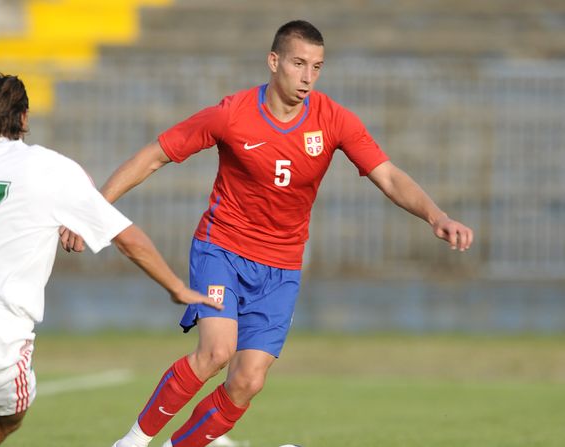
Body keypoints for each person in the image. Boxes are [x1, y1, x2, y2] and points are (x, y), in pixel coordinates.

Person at [62, 20, 474, 447]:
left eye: (317, 66)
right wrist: (93, 209)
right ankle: (130, 442)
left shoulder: (334, 120)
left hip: (281, 267)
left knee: (248, 381)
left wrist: (435, 215)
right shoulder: (232, 114)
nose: (307, 77)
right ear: (274, 62)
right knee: (217, 352)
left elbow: (388, 176)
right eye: (298, 64)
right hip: (221, 248)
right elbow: (153, 156)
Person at [0, 71, 222, 447]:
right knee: (0, 423)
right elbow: (127, 238)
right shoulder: (52, 168)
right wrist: (177, 286)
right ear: (24, 118)